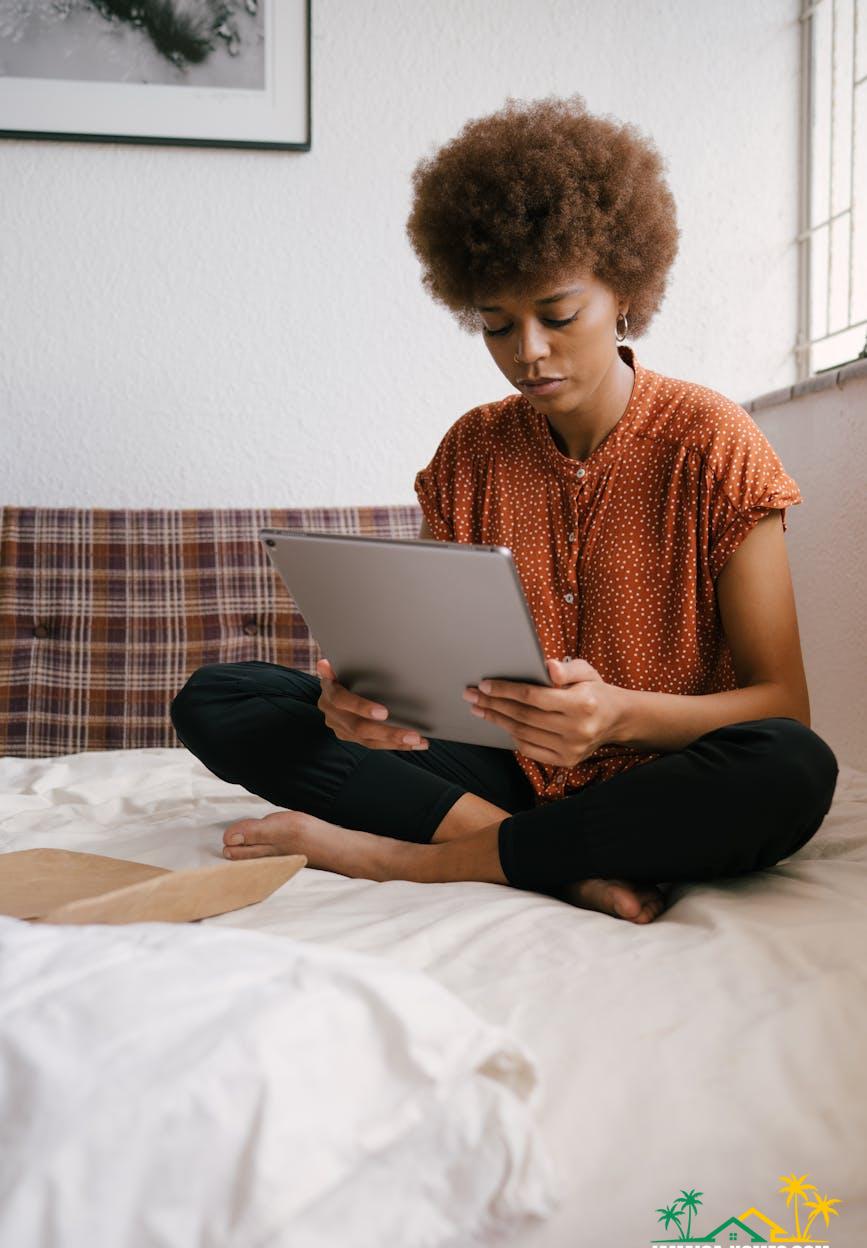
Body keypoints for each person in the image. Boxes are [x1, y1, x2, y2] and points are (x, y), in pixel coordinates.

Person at [169, 94, 839, 924]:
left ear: (624, 292)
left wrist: (616, 717)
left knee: (790, 766)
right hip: (500, 774)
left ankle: (406, 858)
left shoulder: (713, 441)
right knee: (222, 699)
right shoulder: (470, 450)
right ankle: (543, 856)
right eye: (495, 325)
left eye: (558, 315)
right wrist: (363, 711)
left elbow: (782, 703)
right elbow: (424, 671)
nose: (528, 352)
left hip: (660, 776)